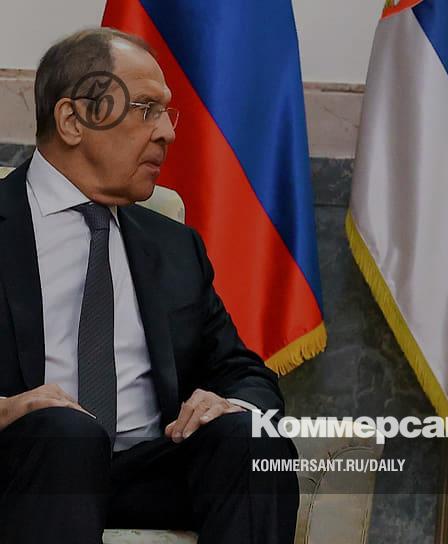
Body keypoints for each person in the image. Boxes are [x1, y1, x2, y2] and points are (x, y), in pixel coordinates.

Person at [0, 28, 298, 543]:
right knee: (66, 434)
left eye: (166, 113)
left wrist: (230, 405)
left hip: (148, 467)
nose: (167, 133)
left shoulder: (173, 245)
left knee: (252, 439)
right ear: (73, 120)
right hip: (27, 466)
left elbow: (242, 371)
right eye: (146, 110)